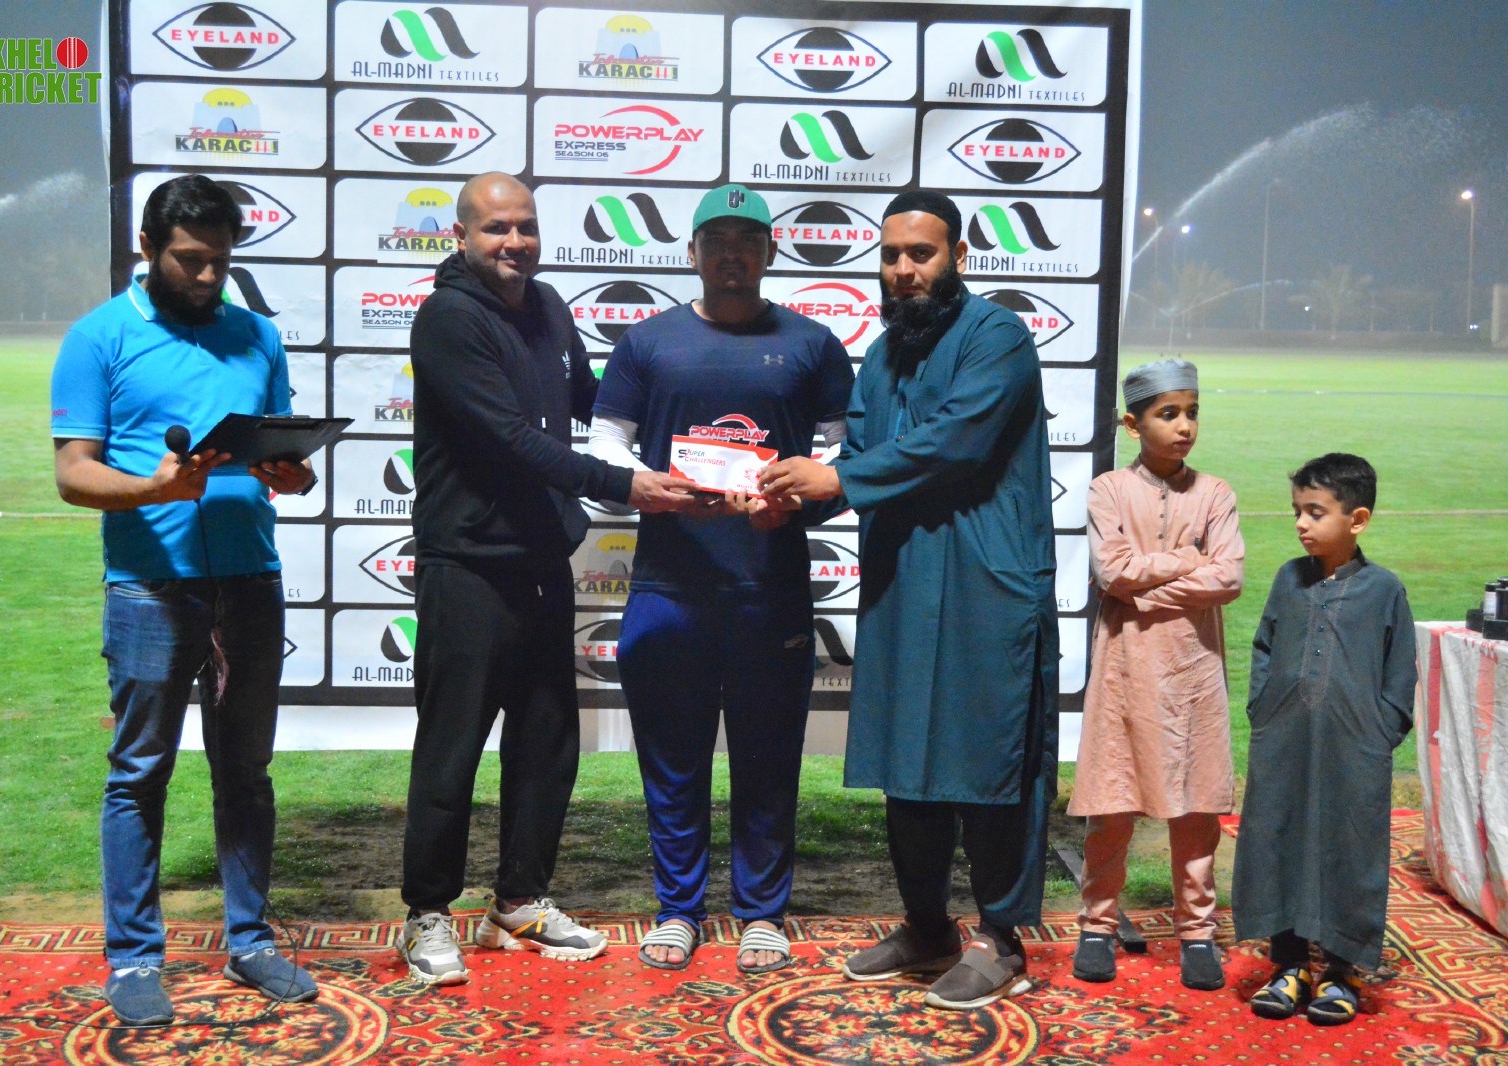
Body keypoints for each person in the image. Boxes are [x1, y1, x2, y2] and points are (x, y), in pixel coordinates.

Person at [759, 191, 1059, 1010]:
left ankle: (1002, 937)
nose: (902, 269)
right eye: (890, 255)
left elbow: (955, 441)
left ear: (956, 256)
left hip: (985, 583)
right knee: (906, 760)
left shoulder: (997, 335)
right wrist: (791, 501)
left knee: (989, 763)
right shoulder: (884, 351)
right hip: (901, 585)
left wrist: (837, 480)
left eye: (919, 254)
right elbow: (859, 457)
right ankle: (928, 928)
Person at [398, 172, 695, 985]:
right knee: (452, 747)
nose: (515, 242)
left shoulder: (551, 307)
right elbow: (507, 439)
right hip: (467, 564)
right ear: (460, 236)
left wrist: (687, 428)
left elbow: (592, 402)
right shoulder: (447, 319)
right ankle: (426, 913)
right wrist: (624, 484)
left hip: (540, 560)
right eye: (496, 228)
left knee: (546, 741)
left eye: (525, 227)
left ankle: (520, 899)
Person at [51, 174, 319, 1026]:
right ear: (147, 248)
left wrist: (293, 472)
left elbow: (282, 452)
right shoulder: (99, 337)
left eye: (220, 262)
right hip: (148, 587)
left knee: (246, 771)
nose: (207, 277)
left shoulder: (257, 335)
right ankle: (134, 960)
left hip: (251, 580)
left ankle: (251, 943)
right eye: (189, 260)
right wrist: (152, 489)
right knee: (139, 772)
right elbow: (72, 473)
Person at [588, 184, 855, 975]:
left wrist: (798, 500)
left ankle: (761, 914)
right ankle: (677, 909)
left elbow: (843, 457)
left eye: (747, 240)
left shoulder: (812, 344)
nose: (731, 254)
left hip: (769, 582)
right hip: (667, 584)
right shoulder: (647, 342)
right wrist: (643, 485)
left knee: (767, 759)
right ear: (692, 252)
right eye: (716, 240)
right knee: (671, 759)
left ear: (770, 251)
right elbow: (604, 443)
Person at [1066, 359, 1244, 991]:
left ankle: (1197, 931)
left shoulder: (1215, 493)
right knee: (1113, 801)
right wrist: (1187, 560)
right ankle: (1097, 925)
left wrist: (1146, 589)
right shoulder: (1109, 489)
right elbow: (1112, 572)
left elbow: (1229, 577)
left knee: (1197, 805)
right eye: (1169, 414)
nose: (1184, 426)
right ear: (1132, 423)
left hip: (1193, 669)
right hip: (1126, 668)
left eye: (1192, 413)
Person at [1233, 452, 1416, 1025]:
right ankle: (1289, 965)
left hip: (1355, 748)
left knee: (1349, 847)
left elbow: (1400, 673)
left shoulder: (1384, 589)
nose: (1301, 523)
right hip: (1283, 739)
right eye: (1297, 511)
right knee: (1278, 835)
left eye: (1315, 512)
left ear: (1357, 519)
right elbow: (1264, 647)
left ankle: (1341, 972)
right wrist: (1264, 710)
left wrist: (1379, 732)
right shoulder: (1289, 579)